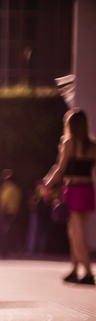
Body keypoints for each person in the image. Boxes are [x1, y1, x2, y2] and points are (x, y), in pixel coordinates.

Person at [44, 108, 95, 284]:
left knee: (78, 233)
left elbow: (60, 168)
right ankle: (74, 269)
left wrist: (47, 184)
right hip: (87, 190)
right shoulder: (92, 145)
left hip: (73, 190)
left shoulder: (68, 143)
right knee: (74, 231)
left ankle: (88, 272)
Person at [0, 169, 21, 258]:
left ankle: (4, 251)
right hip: (14, 213)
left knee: (4, 232)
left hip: (6, 213)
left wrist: (0, 214)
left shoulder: (6, 188)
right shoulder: (17, 189)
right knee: (10, 232)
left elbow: (3, 203)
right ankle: (14, 249)